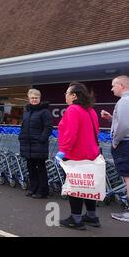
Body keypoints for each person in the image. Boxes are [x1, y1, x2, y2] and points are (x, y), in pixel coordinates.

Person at [58, 82, 101, 230]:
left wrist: (63, 151)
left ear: (74, 96)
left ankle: (75, 218)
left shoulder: (72, 110)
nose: (65, 96)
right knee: (88, 186)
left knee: (75, 186)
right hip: (92, 154)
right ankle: (92, 215)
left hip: (76, 154)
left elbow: (70, 133)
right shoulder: (91, 111)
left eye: (67, 93)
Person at [101, 75, 129, 222]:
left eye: (114, 85)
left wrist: (115, 141)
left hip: (124, 144)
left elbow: (124, 126)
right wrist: (112, 118)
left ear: (122, 86)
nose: (112, 89)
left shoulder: (124, 101)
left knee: (128, 178)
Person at [18, 89, 53, 198]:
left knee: (41, 169)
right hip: (28, 144)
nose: (34, 100)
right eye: (32, 98)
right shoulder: (27, 112)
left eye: (36, 98)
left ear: (39, 98)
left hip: (39, 145)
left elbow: (48, 128)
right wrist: (21, 137)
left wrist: (41, 139)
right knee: (31, 168)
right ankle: (33, 188)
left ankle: (42, 191)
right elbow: (23, 126)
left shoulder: (45, 112)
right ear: (29, 98)